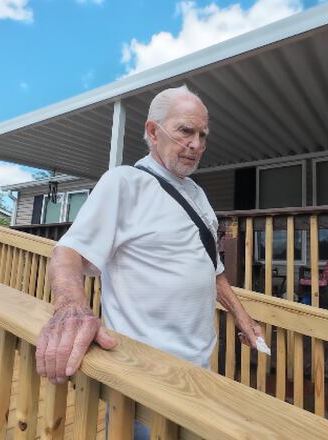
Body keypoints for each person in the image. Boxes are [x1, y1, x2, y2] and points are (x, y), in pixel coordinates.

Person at [35, 84, 263, 395]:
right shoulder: (124, 182)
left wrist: (241, 316)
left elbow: (213, 269)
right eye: (186, 131)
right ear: (153, 132)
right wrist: (70, 307)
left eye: (203, 135)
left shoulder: (197, 194)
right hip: (141, 373)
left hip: (198, 368)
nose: (196, 144)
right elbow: (67, 253)